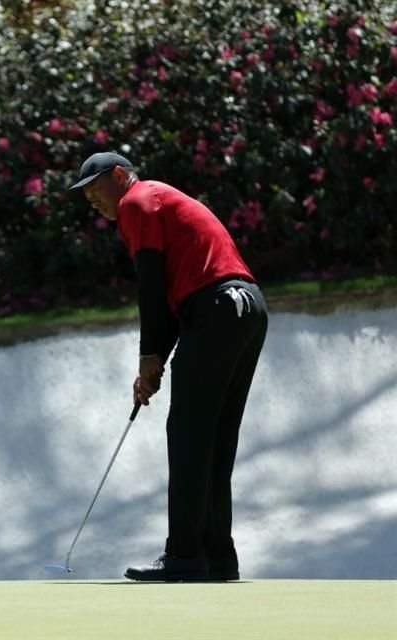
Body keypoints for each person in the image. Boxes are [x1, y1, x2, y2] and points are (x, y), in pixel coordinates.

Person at [70, 151, 268, 582]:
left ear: (120, 176)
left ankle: (184, 555)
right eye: (85, 198)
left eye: (95, 189)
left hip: (215, 308)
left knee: (187, 434)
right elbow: (178, 300)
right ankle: (218, 556)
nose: (94, 202)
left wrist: (148, 359)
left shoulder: (136, 201)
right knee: (214, 438)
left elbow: (152, 290)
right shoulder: (160, 199)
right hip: (247, 308)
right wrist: (155, 363)